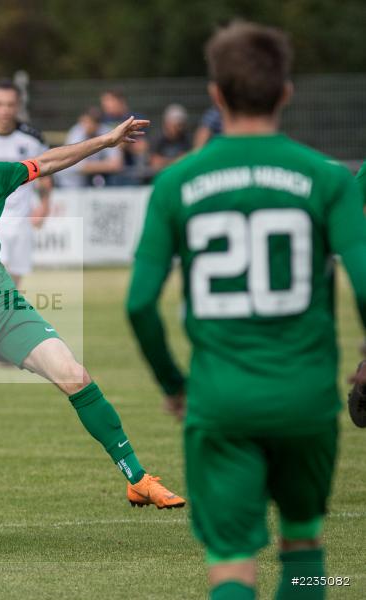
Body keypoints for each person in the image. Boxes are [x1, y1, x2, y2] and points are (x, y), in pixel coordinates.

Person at [125, 21, 366, 600]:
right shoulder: (330, 179)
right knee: (306, 551)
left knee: (232, 565)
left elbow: (139, 304)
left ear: (215, 96)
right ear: (286, 92)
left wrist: (174, 385)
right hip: (307, 397)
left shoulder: (176, 182)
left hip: (220, 400)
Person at [0, 98, 185, 555]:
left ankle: (138, 479)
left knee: (75, 375)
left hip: (5, 306)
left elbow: (50, 160)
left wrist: (106, 140)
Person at [0, 80, 52, 288]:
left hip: (21, 217)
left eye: (10, 104)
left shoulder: (32, 138)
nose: (5, 110)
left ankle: (5, 318)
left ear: (18, 105)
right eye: (0, 104)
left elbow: (45, 172)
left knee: (15, 280)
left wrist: (44, 205)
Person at [57, 107, 124, 188]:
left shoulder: (107, 131)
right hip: (74, 183)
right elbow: (74, 165)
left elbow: (116, 165)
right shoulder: (76, 132)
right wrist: (105, 165)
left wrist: (88, 167)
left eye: (94, 121)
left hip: (102, 178)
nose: (88, 125)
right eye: (87, 121)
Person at [99, 89, 147, 184]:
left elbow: (142, 147)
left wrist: (121, 142)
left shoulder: (135, 119)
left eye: (108, 101)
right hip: (107, 174)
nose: (104, 105)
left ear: (120, 101)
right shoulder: (102, 121)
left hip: (131, 171)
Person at [149, 103, 192, 173]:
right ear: (167, 123)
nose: (180, 129)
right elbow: (155, 163)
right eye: (177, 125)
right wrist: (177, 160)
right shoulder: (156, 138)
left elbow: (188, 159)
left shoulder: (185, 137)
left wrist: (165, 161)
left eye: (182, 125)